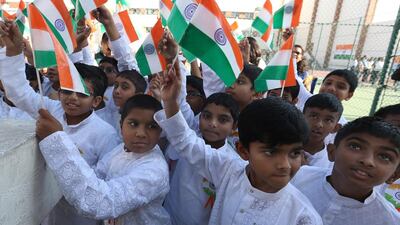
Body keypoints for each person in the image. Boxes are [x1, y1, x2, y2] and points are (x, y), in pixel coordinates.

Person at [155, 62, 323, 224]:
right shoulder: (229, 171)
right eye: (271, 152)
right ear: (243, 151)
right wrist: (170, 101)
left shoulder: (303, 218)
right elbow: (186, 142)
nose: (285, 165)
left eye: (294, 153)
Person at [0, 20, 120, 225]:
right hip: (44, 211)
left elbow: (104, 182)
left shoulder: (106, 134)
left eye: (82, 94)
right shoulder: (51, 109)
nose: (72, 98)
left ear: (97, 101)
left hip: (80, 217)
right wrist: (13, 51)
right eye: (67, 90)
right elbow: (18, 91)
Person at [36, 95, 171, 225]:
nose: (141, 133)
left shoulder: (154, 169)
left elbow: (99, 203)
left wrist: (57, 141)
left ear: (160, 130)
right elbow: (95, 175)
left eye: (152, 126)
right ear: (121, 125)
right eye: (133, 124)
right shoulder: (120, 150)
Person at [291, 117, 400, 224]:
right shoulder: (297, 177)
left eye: (385, 157)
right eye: (355, 146)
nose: (367, 161)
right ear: (332, 152)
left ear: (394, 175)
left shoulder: (390, 220)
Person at [163, 92, 240, 225]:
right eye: (207, 116)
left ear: (234, 127)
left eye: (222, 119)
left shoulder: (231, 162)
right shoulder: (186, 144)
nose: (212, 124)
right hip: (167, 216)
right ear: (199, 117)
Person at [302, 93, 342, 168]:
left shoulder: (332, 160)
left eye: (328, 120)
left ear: (335, 128)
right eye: (314, 116)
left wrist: (304, 169)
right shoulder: (283, 147)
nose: (319, 124)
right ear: (301, 117)